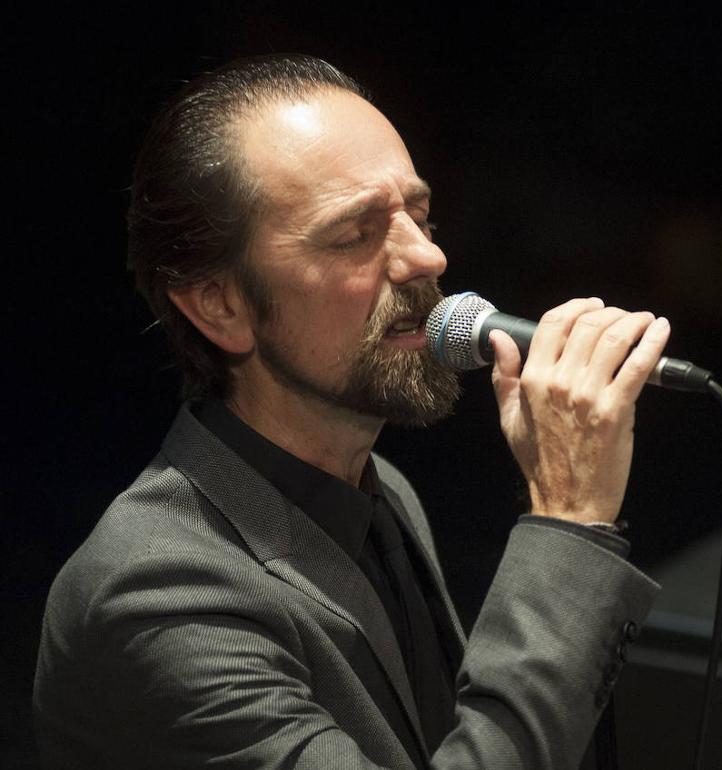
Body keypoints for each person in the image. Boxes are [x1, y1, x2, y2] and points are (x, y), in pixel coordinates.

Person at [33, 54, 671, 769]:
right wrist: (569, 517)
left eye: (419, 217)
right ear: (220, 306)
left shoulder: (383, 489)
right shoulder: (160, 598)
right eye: (354, 235)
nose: (425, 258)